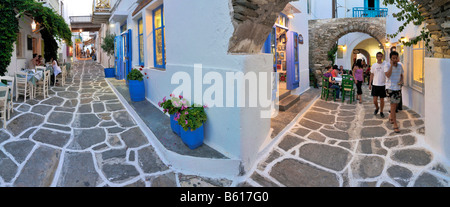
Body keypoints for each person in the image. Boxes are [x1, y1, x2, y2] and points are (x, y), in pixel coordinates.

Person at [385, 51, 404, 133]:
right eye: (393, 58)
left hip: (397, 88)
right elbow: (388, 75)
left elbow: (401, 75)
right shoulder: (387, 65)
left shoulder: (400, 66)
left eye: (396, 58)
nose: (395, 60)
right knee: (393, 106)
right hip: (390, 88)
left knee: (395, 105)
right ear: (391, 59)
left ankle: (390, 116)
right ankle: (395, 124)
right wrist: (392, 66)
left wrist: (402, 81)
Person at [369, 52, 386, 118]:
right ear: (376, 57)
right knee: (374, 100)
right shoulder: (374, 65)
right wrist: (370, 83)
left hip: (382, 84)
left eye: (381, 56)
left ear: (382, 57)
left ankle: (381, 111)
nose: (379, 58)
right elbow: (371, 74)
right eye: (378, 56)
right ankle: (377, 108)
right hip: (375, 84)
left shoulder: (384, 65)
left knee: (382, 100)